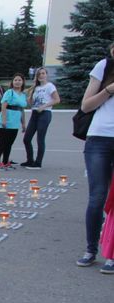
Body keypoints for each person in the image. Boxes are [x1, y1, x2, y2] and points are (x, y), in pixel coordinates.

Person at [76, 41, 114, 268]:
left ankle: (112, 254)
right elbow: (86, 106)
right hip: (100, 138)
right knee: (97, 197)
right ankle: (91, 249)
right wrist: (109, 90)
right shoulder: (104, 67)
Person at [22, 68, 60, 170]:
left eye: (43, 73)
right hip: (35, 113)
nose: (41, 75)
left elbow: (57, 100)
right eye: (39, 74)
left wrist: (44, 106)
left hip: (45, 113)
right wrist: (29, 99)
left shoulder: (50, 86)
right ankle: (30, 160)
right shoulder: (36, 87)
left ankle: (38, 163)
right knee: (26, 138)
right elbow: (31, 103)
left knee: (40, 138)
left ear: (46, 75)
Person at [0, 73, 27, 170]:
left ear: (22, 82)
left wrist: (23, 123)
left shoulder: (23, 95)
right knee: (2, 142)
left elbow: (22, 110)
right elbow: (3, 106)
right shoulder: (9, 92)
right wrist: (4, 120)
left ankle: (5, 162)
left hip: (15, 121)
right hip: (7, 120)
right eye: (15, 80)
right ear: (12, 82)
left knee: (9, 143)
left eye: (19, 80)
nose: (17, 82)